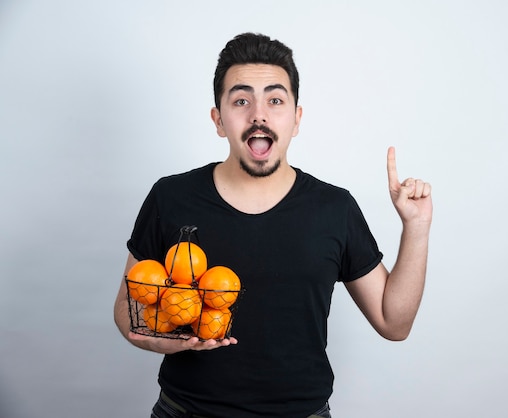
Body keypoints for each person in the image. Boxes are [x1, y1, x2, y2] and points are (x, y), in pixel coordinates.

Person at [114, 32, 432, 418]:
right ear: (218, 119)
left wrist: (416, 227)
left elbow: (393, 322)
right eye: (241, 100)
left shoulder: (334, 208)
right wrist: (163, 343)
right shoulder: (171, 197)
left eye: (275, 100)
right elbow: (126, 310)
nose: (259, 115)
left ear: (296, 119)